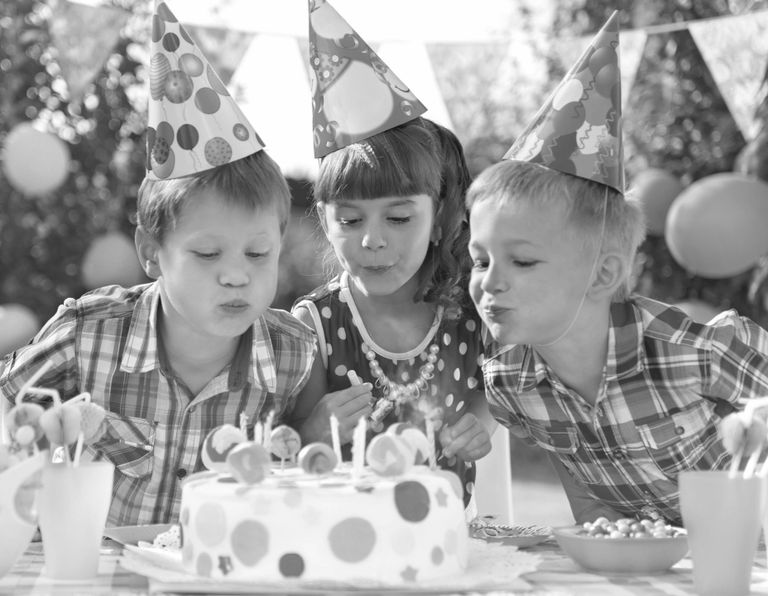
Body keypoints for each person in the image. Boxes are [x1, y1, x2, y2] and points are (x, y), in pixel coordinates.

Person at [0, 2, 315, 527]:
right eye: (208, 253)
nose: (237, 274)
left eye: (258, 254)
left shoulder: (292, 356)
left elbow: (304, 468)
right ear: (151, 253)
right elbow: (8, 405)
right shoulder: (88, 333)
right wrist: (32, 434)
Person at [467, 12, 768, 526]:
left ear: (603, 275)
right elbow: (588, 498)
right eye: (480, 259)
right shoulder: (510, 385)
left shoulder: (698, 352)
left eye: (521, 261)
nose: (490, 280)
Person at [289, 0, 493, 513]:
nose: (372, 241)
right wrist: (314, 430)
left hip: (442, 551)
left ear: (440, 217)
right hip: (338, 545)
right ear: (325, 218)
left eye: (398, 219)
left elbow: (502, 397)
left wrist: (480, 427)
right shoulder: (314, 325)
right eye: (351, 220)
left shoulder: (472, 317)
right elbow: (287, 462)